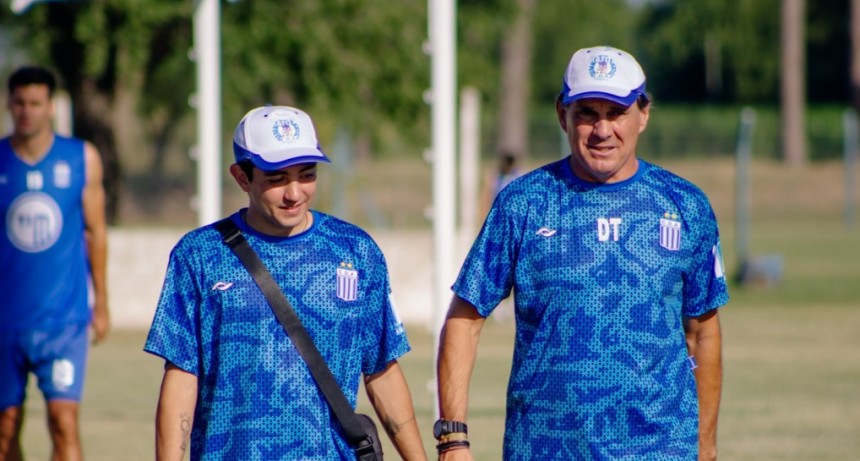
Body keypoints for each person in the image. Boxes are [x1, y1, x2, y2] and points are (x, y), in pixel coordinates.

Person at [435, 46, 728, 461]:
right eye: (587, 112)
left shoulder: (685, 205)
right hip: (543, 448)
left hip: (659, 448)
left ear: (643, 115)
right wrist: (453, 438)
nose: (602, 129)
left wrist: (706, 446)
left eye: (616, 112)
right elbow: (465, 321)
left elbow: (703, 334)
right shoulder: (524, 202)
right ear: (562, 115)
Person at [144, 105, 428, 460]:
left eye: (306, 175)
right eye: (277, 179)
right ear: (241, 177)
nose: (294, 193)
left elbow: (382, 369)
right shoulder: (199, 255)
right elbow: (182, 374)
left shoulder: (357, 251)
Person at [0, 66, 109, 460]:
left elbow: (96, 232)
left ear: (51, 106)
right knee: (5, 428)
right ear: (9, 104)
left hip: (63, 322)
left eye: (35, 103)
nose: (27, 111)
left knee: (63, 422)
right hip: (5, 322)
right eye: (19, 103)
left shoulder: (81, 158)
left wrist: (103, 303)